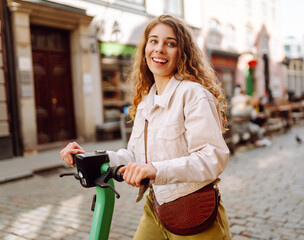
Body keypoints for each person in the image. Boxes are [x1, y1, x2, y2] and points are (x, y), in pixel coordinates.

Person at [60, 14, 231, 239]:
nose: (159, 49)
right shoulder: (146, 101)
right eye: (154, 41)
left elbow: (212, 157)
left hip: (195, 213)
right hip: (156, 207)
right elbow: (134, 154)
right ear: (145, 49)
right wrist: (93, 158)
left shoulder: (193, 95)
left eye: (170, 43)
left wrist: (156, 170)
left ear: (183, 52)